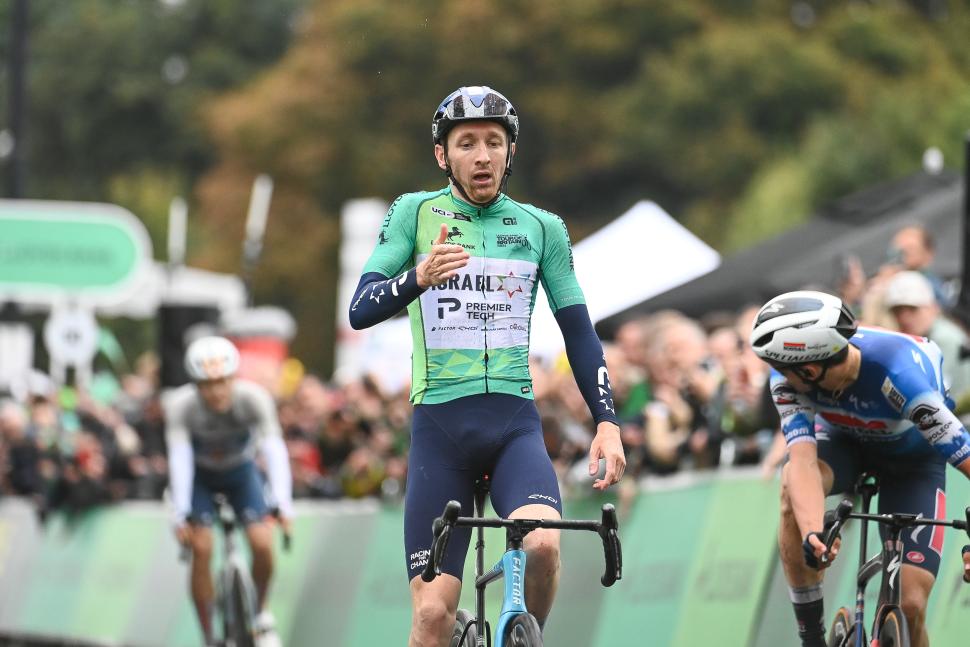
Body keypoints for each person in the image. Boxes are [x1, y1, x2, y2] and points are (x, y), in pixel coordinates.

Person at [348, 85, 625, 647]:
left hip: (512, 426)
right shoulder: (414, 214)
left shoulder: (541, 227)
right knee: (431, 618)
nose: (482, 155)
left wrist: (607, 420)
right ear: (442, 155)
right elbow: (360, 308)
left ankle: (526, 635)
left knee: (543, 543)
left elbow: (578, 331)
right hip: (440, 429)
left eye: (494, 143)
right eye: (467, 143)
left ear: (509, 153)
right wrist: (417, 278)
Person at [749, 290, 970, 647]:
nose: (778, 377)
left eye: (784, 369)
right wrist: (811, 535)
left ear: (809, 368)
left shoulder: (898, 373)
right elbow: (803, 462)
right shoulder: (790, 382)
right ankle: (811, 636)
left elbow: (965, 455)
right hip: (844, 447)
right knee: (791, 480)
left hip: (913, 463)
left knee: (910, 605)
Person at [163, 336, 293, 646]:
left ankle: (261, 612)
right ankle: (208, 634)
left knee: (262, 543)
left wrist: (284, 504)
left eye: (222, 381)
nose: (216, 391)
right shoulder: (181, 406)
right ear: (195, 384)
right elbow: (179, 460)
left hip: (240, 474)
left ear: (233, 378)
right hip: (200, 478)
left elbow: (275, 451)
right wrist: (180, 513)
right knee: (203, 547)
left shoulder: (254, 399)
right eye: (206, 384)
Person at [885, 270, 970, 406]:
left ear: (933, 307)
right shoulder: (923, 338)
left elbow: (931, 394)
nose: (904, 318)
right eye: (898, 310)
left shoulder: (943, 337)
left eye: (912, 309)